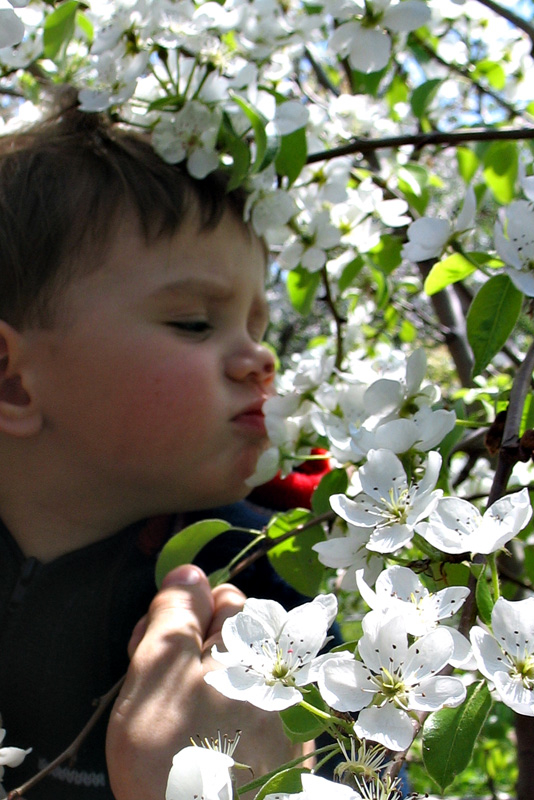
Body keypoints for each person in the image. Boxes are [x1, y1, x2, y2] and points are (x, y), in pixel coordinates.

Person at [0, 103, 306, 800]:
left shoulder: (264, 585)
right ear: (11, 379)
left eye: (258, 324)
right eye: (195, 321)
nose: (260, 358)